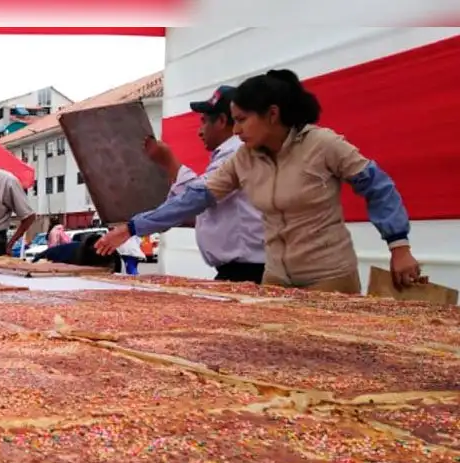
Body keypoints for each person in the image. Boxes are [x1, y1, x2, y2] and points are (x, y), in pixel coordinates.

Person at [96, 69, 421, 294]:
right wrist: (134, 227)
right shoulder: (245, 158)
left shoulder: (323, 145)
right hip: (275, 276)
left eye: (241, 121)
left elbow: (377, 186)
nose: (236, 131)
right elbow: (196, 198)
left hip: (327, 276)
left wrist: (399, 246)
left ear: (273, 114)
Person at [121, 86, 267, 284]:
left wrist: (133, 227)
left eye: (204, 122)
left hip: (248, 271)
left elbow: (197, 198)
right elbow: (199, 201)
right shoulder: (232, 155)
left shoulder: (236, 154)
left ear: (223, 121)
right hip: (239, 271)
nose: (199, 131)